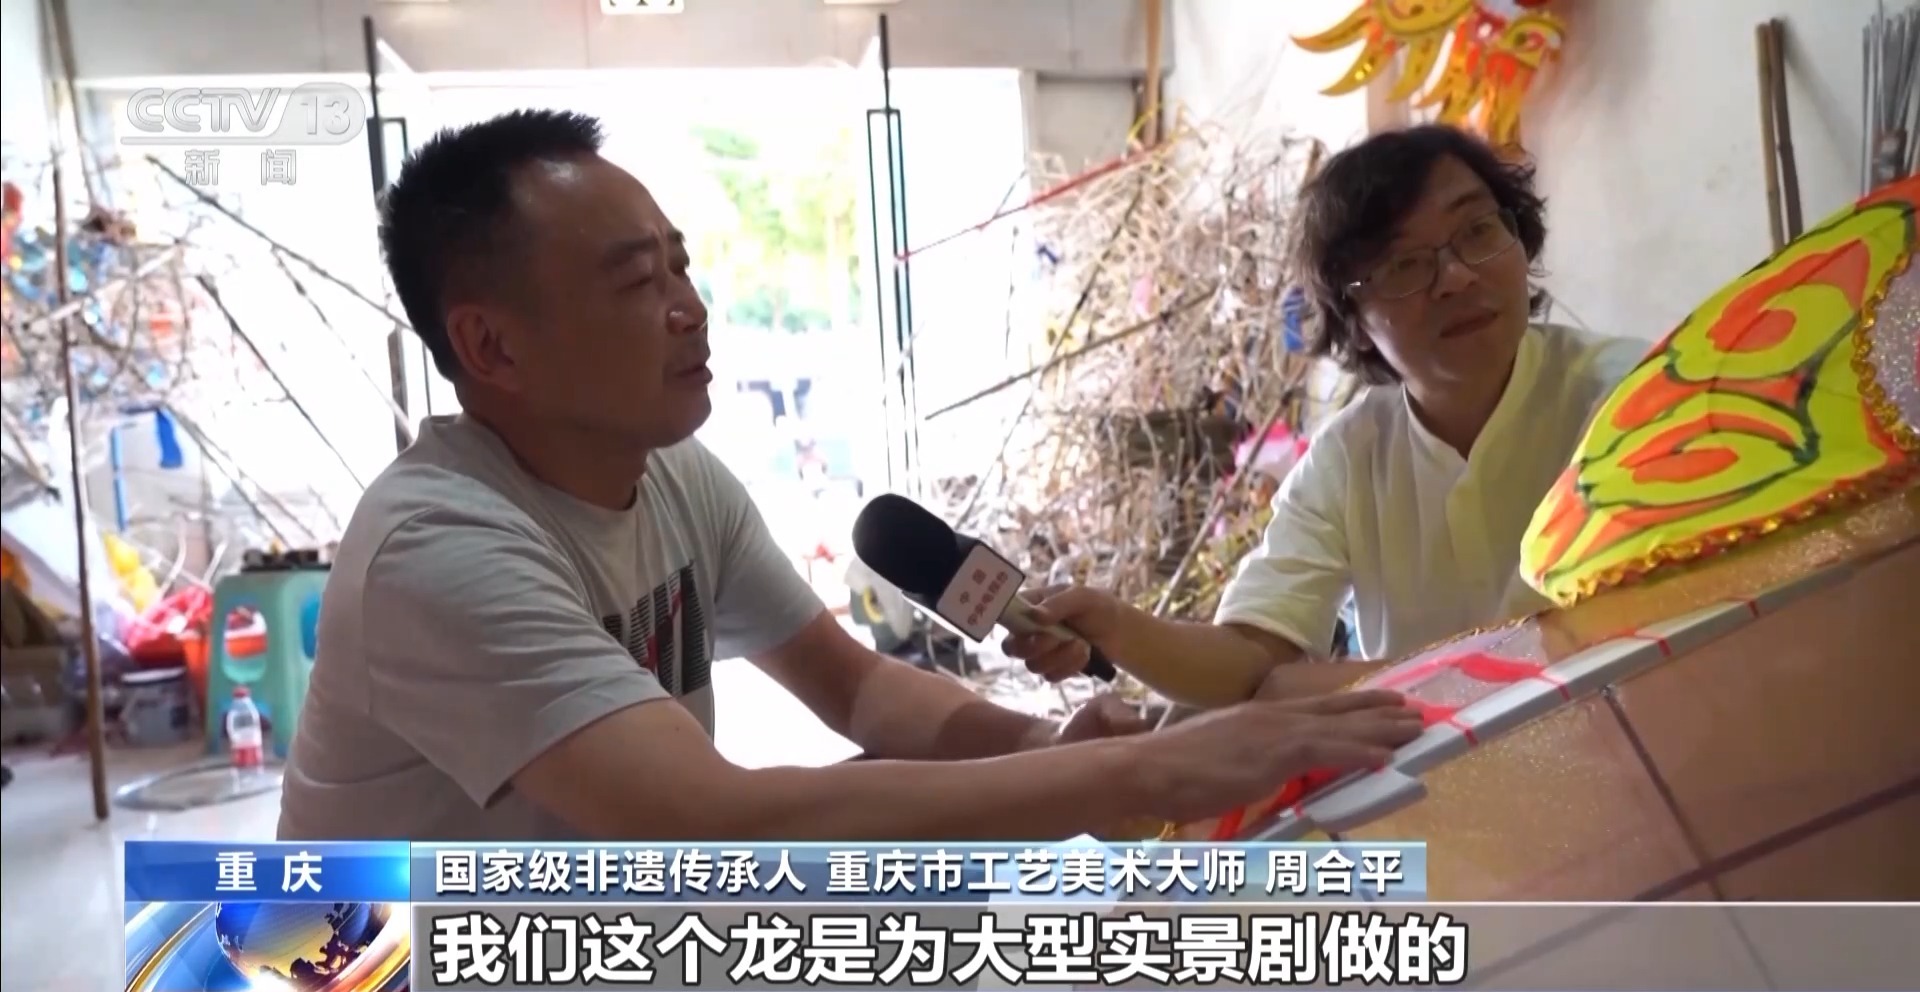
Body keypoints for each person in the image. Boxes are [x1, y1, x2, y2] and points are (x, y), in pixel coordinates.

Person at [277, 110, 1421, 842]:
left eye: (681, 266)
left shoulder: (675, 474)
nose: (691, 308)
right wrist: (1142, 777)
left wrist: (1051, 749)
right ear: (491, 345)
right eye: (636, 282)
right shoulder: (439, 549)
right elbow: (713, 819)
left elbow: (861, 689)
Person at [1007, 125, 1647, 707]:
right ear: (1355, 321)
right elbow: (1251, 663)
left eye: (1477, 231)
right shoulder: (1349, 457)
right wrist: (1118, 628)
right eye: (1404, 264)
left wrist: (1361, 681)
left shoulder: (1628, 397)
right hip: (1431, 781)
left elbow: (1653, 624)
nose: (1454, 278)